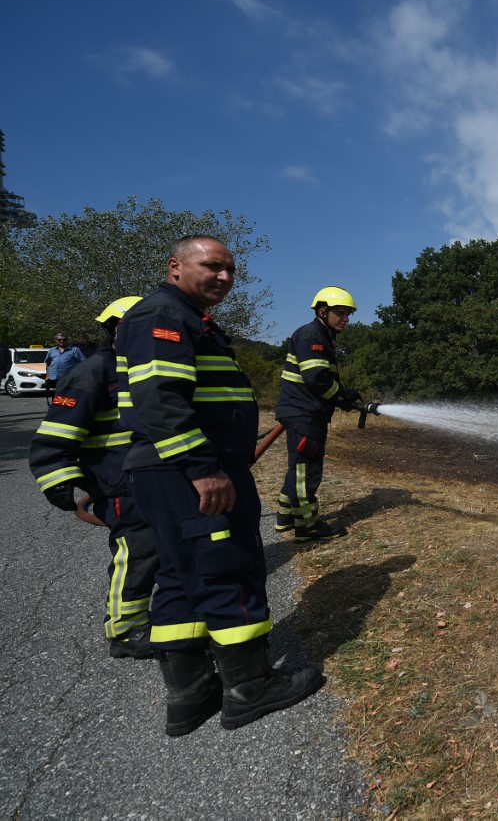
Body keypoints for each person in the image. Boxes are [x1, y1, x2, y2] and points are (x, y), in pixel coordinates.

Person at [115, 234, 324, 737]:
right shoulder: (162, 316)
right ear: (175, 267)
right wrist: (203, 467)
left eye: (231, 270)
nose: (225, 278)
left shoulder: (183, 317)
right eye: (213, 267)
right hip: (192, 472)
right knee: (226, 570)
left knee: (181, 577)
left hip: (171, 471)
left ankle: (190, 695)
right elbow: (161, 400)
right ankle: (250, 689)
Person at [28, 297, 158, 659]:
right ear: (117, 328)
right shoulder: (95, 370)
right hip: (116, 479)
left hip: (151, 476)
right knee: (137, 551)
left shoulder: (148, 367)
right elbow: (54, 435)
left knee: (160, 549)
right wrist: (57, 478)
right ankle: (126, 629)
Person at [273, 287, 361, 542]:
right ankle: (307, 527)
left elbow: (320, 381)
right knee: (305, 470)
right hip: (304, 413)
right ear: (322, 311)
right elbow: (316, 378)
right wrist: (342, 393)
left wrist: (341, 400)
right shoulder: (311, 335)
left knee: (300, 466)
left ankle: (285, 516)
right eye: (341, 313)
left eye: (349, 314)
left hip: (307, 412)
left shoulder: (321, 335)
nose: (346, 319)